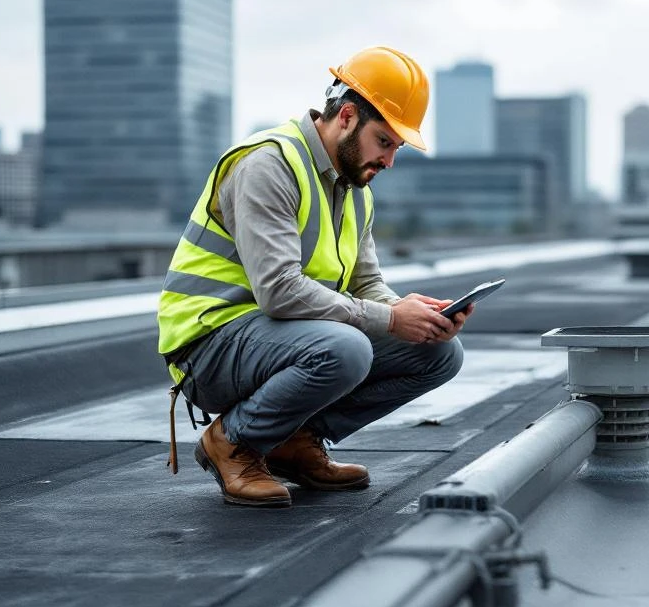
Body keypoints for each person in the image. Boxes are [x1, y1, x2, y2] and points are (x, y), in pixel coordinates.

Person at [157, 46, 470, 507]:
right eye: (384, 141)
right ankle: (232, 442)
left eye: (396, 149)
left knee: (440, 352)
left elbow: (366, 285)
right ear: (346, 117)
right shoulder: (269, 165)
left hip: (279, 338)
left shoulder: (355, 190)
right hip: (209, 344)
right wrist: (387, 319)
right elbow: (279, 291)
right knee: (347, 348)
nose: (389, 162)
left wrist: (417, 315)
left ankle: (293, 439)